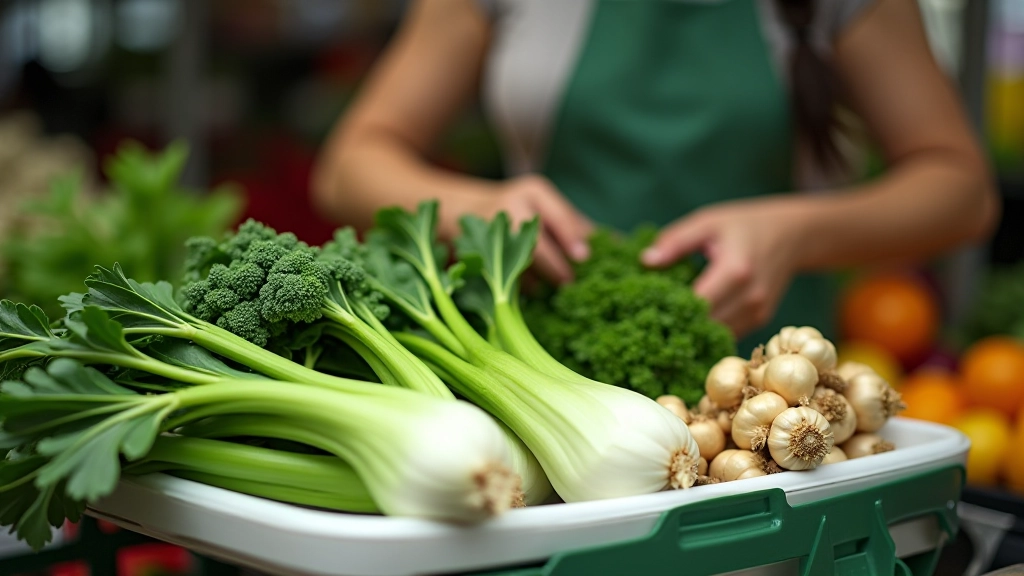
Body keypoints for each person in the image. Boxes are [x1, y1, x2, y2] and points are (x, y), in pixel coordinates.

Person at [310, 0, 999, 350]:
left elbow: (961, 189)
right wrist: (470, 208)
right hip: (539, 368)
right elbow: (349, 166)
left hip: (770, 398)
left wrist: (796, 232)